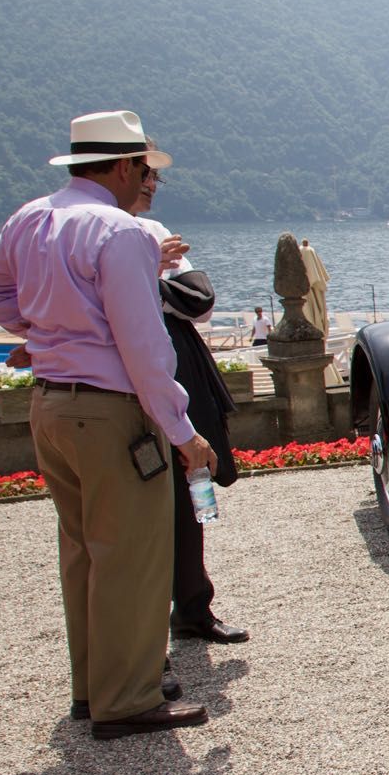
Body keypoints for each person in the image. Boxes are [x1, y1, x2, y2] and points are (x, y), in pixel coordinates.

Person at [0, 110, 214, 739]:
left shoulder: (31, 217)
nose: (146, 180)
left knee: (82, 552)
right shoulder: (120, 232)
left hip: (51, 404)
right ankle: (128, 698)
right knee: (130, 555)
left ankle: (91, 688)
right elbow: (143, 348)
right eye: (146, 169)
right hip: (110, 412)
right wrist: (184, 433)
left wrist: (42, 332)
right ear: (126, 166)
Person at [131, 158, 249, 648]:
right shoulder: (109, 232)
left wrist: (146, 278)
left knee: (192, 484)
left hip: (179, 363)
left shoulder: (155, 230)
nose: (152, 185)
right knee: (137, 499)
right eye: (145, 176)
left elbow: (199, 300)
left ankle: (194, 607)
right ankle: (141, 628)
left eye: (155, 177)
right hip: (129, 367)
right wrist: (149, 272)